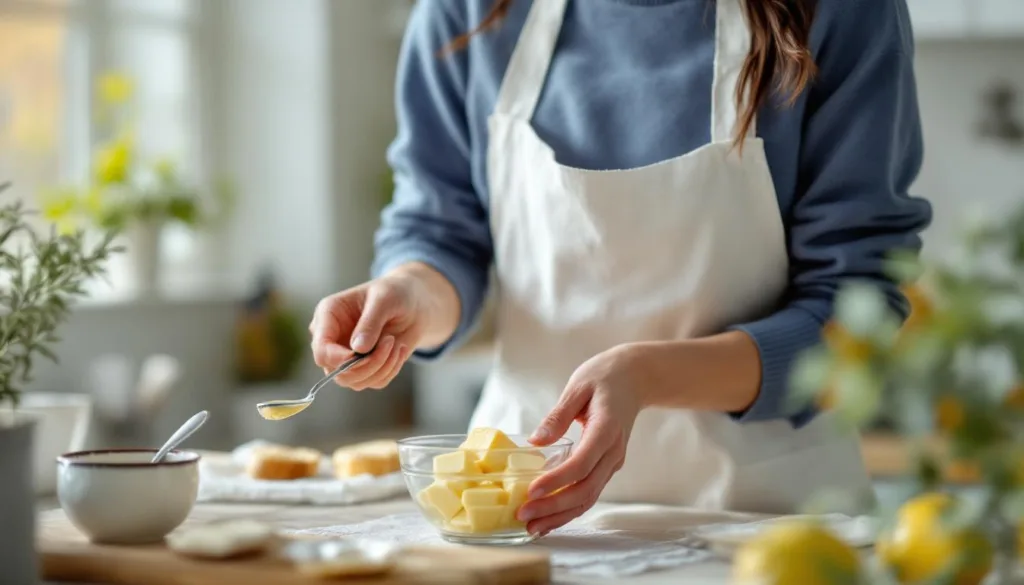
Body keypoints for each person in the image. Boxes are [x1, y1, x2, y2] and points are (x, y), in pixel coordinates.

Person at [309, 0, 932, 536]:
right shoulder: (471, 10)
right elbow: (441, 231)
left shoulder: (839, 11)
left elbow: (856, 316)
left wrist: (646, 375)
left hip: (765, 529)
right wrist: (409, 295)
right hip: (520, 524)